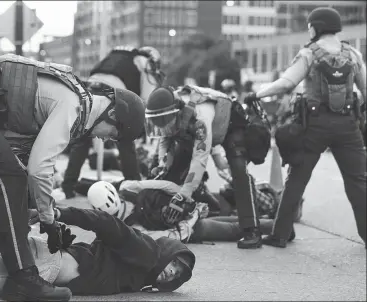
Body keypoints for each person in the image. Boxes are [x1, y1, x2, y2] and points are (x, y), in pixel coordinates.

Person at [0, 53, 146, 300]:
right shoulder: (73, 107)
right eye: (113, 135)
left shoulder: (77, 103)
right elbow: (38, 168)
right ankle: (23, 278)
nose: (105, 139)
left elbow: (26, 161)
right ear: (112, 115)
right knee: (10, 180)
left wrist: (41, 210)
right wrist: (48, 221)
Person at [245, 7, 366, 248]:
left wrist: (257, 94)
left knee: (297, 179)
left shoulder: (310, 53)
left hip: (314, 126)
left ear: (316, 27)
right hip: (348, 126)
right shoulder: (353, 54)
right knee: (359, 183)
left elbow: (287, 83)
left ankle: (280, 235)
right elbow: (365, 90)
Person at [0, 207, 195, 298]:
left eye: (177, 274)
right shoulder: (147, 251)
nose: (171, 272)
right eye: (174, 264)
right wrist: (58, 213)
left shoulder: (142, 271)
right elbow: (106, 222)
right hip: (46, 266)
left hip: (45, 253)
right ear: (166, 252)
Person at [145, 85, 271, 249]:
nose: (162, 127)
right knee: (173, 168)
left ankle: (252, 230)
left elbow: (199, 159)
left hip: (229, 125)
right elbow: (165, 138)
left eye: (163, 122)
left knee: (239, 171)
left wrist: (184, 194)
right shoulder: (169, 113)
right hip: (195, 132)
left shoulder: (200, 116)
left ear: (176, 113)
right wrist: (162, 164)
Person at [62, 45, 164, 198]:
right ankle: (133, 187)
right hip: (112, 94)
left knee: (82, 140)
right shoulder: (145, 63)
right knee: (125, 139)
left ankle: (68, 186)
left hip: (90, 88)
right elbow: (145, 100)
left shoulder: (118, 55)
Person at [81, 180, 291, 244]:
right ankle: (283, 226)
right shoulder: (129, 188)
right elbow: (167, 186)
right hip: (192, 218)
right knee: (240, 222)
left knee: (238, 225)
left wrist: (195, 213)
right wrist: (192, 205)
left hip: (193, 226)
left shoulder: (130, 229)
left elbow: (176, 236)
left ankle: (282, 228)